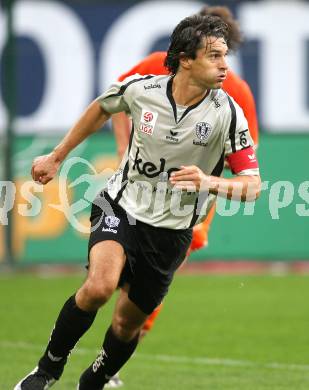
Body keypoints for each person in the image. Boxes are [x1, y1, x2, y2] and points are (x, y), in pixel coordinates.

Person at [15, 14, 261, 390]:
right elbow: (102, 106)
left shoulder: (228, 113)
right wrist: (56, 156)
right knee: (99, 287)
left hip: (173, 231)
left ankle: (93, 381)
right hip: (121, 205)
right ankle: (45, 371)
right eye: (214, 56)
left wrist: (209, 182)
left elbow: (253, 185)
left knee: (127, 324)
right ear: (185, 58)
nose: (224, 65)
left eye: (225, 55)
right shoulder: (143, 89)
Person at [107, 7, 259, 386]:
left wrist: (207, 181)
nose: (218, 59)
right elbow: (114, 104)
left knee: (148, 280)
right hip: (139, 187)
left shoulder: (235, 91)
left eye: (221, 49)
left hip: (189, 202)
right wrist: (127, 152)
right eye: (210, 48)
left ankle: (120, 346)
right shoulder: (156, 65)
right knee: (113, 277)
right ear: (188, 51)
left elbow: (244, 158)